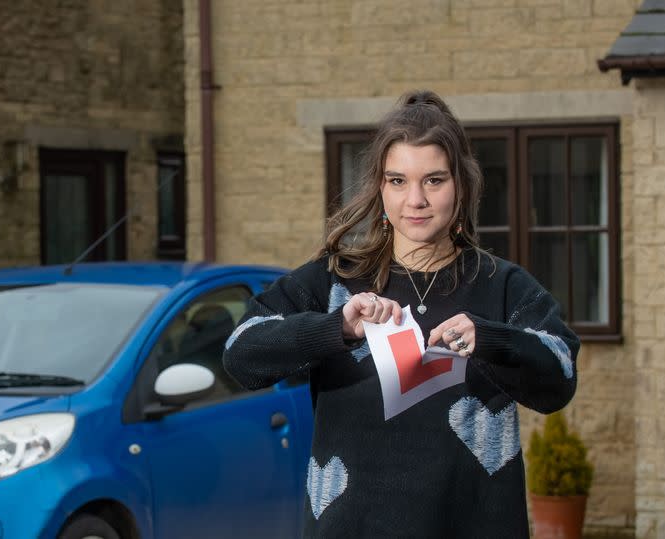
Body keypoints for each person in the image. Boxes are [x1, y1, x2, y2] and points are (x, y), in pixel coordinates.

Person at [223, 90, 579, 538]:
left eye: (434, 180)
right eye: (397, 181)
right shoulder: (335, 282)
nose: (416, 200)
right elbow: (241, 354)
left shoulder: (502, 286)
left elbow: (559, 378)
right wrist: (338, 328)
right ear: (379, 186)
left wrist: (491, 339)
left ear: (462, 186)